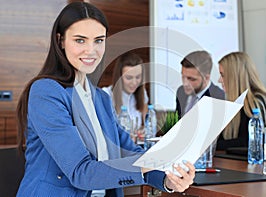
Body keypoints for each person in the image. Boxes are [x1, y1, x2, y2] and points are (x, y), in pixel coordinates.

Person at [16, 2, 195, 196]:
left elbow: (126, 150)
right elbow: (80, 172)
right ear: (60, 41)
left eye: (98, 40)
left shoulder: (99, 97)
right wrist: (155, 160)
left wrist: (167, 178)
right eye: (80, 40)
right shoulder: (47, 92)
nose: (91, 50)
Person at [217, 51, 266, 150]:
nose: (219, 80)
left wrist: (213, 146)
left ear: (235, 76)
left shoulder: (257, 101)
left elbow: (249, 141)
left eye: (223, 75)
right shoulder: (236, 102)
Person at [102, 52, 148, 130]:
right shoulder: (106, 95)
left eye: (138, 77)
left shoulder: (142, 94)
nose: (134, 83)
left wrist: (142, 132)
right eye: (129, 78)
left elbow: (144, 126)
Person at [176, 50, 225, 119]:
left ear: (206, 78)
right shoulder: (181, 92)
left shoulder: (219, 99)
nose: (185, 83)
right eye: (183, 76)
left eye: (191, 79)